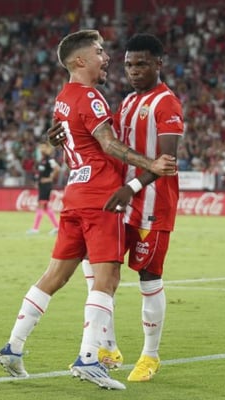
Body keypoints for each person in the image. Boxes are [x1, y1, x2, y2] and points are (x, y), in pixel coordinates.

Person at [0, 29, 177, 391]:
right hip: (100, 198)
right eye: (99, 52)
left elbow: (72, 135)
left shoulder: (63, 97)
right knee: (107, 280)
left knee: (54, 276)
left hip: (74, 195)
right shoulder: (91, 97)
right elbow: (108, 143)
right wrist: (150, 164)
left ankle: (13, 347)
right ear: (80, 60)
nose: (106, 58)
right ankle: (89, 359)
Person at [52, 33, 183, 382]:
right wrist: (64, 136)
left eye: (142, 64)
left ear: (158, 64)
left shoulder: (167, 103)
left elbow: (167, 161)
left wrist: (132, 187)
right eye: (128, 65)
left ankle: (150, 356)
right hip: (118, 200)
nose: (134, 71)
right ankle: (107, 346)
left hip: (151, 204)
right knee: (96, 267)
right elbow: (100, 139)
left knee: (148, 277)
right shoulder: (126, 103)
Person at [26, 141, 60, 235]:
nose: (41, 149)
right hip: (42, 186)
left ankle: (35, 229)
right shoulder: (42, 160)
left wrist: (50, 178)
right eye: (41, 147)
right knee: (45, 207)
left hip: (46, 186)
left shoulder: (49, 159)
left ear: (47, 149)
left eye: (43, 147)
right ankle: (57, 227)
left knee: (40, 205)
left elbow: (57, 169)